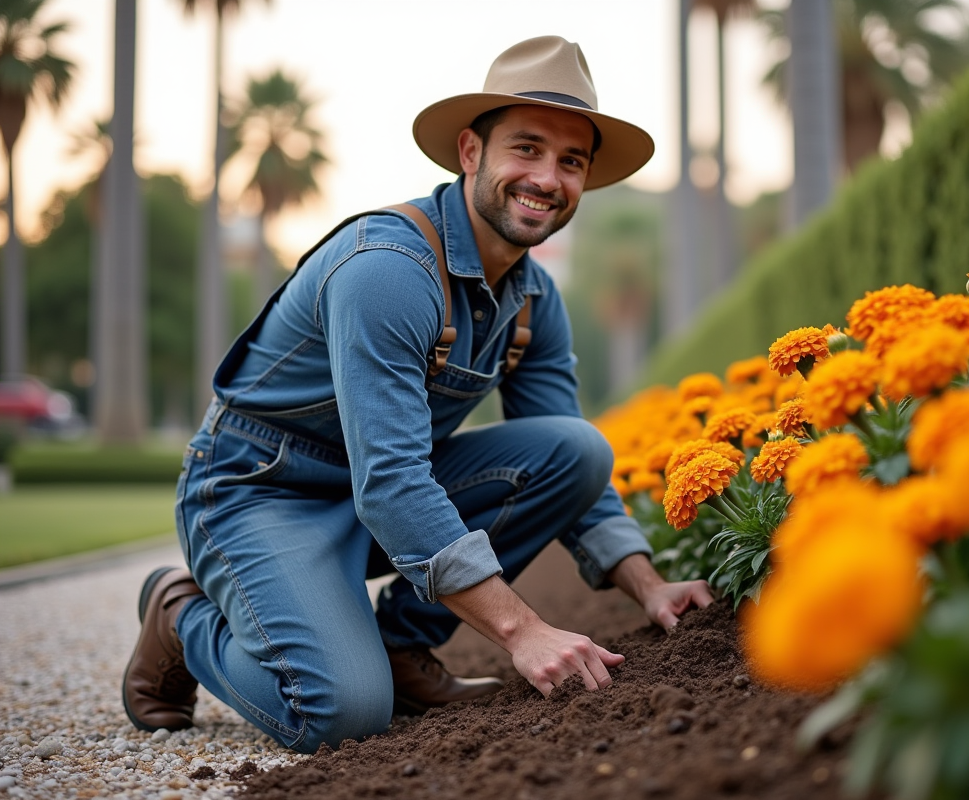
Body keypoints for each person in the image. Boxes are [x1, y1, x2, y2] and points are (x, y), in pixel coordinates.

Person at [122, 35, 713, 754]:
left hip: (373, 497)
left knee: (576, 449)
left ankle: (403, 647)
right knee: (339, 712)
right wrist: (521, 631)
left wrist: (649, 585)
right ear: (471, 152)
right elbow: (396, 484)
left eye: (571, 161)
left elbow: (569, 466)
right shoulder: (390, 269)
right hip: (259, 491)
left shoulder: (534, 300)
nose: (547, 178)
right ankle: (180, 615)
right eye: (526, 149)